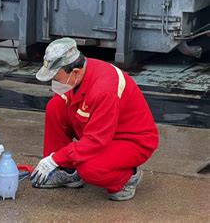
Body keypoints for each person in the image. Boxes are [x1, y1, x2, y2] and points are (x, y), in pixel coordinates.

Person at [31, 38, 159, 201]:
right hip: (105, 131)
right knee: (56, 106)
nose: (54, 83)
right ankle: (67, 172)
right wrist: (59, 161)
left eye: (56, 78)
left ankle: (126, 178)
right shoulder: (83, 69)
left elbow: (95, 140)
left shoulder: (104, 90)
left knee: (89, 168)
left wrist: (55, 158)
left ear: (75, 72)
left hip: (132, 141)